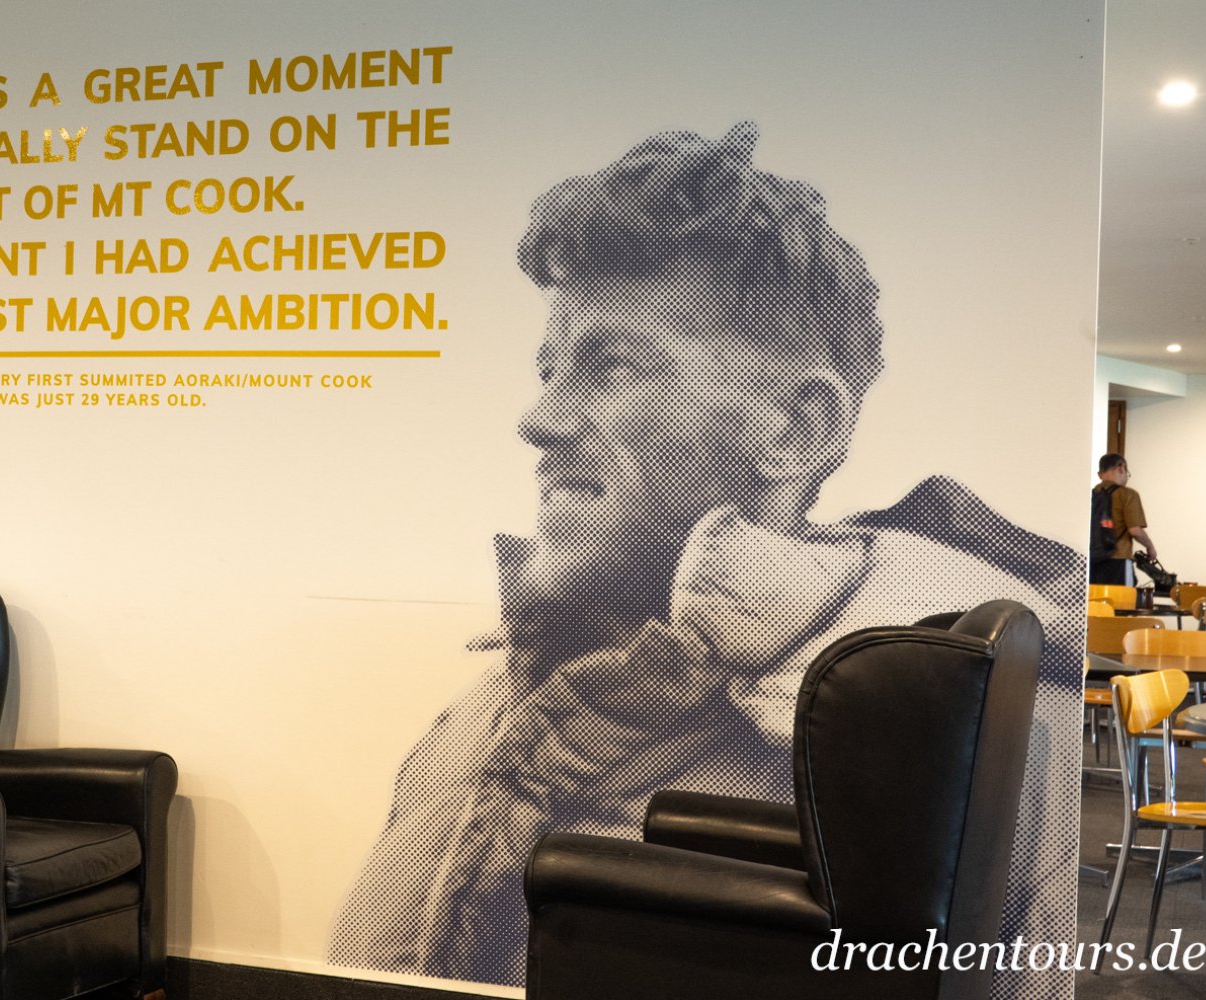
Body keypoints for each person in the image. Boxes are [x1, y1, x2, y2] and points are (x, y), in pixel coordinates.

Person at [328, 123, 1081, 993]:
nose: (539, 420)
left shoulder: (989, 749)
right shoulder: (477, 721)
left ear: (796, 430)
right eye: (548, 370)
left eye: (612, 366)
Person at [1090, 452, 1154, 586]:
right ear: (1121, 467)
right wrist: (1150, 547)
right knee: (1122, 598)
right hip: (1118, 560)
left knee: (1096, 598)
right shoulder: (1127, 494)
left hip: (1092, 561)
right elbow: (1135, 530)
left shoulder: (1092, 495)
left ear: (1100, 474)